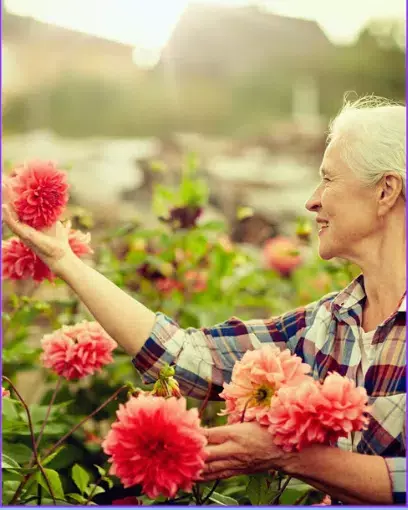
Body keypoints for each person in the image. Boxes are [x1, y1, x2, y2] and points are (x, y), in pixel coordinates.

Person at [2, 96, 406, 505]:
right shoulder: (327, 323)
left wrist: (289, 455)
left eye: (329, 179)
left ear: (386, 190)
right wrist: (63, 259)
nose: (312, 200)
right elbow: (187, 355)